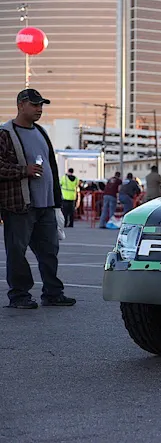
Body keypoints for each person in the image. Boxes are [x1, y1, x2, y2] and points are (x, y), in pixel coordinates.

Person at [0, 88, 75, 309]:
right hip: (20, 206)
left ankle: (53, 293)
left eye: (41, 105)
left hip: (46, 205)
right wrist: (24, 170)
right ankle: (19, 295)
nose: (39, 109)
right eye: (34, 104)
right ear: (20, 105)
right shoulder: (6, 133)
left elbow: (52, 167)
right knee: (17, 252)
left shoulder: (41, 131)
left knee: (50, 252)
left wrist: (56, 203)